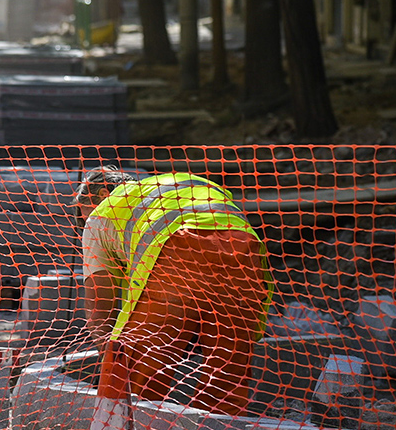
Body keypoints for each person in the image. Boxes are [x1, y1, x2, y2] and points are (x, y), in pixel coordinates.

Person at [72, 166, 273, 416]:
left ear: (101, 194)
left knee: (142, 369)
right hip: (243, 252)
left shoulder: (102, 214)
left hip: (175, 252)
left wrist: (111, 364)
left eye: (81, 213)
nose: (82, 222)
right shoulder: (170, 187)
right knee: (227, 366)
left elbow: (100, 305)